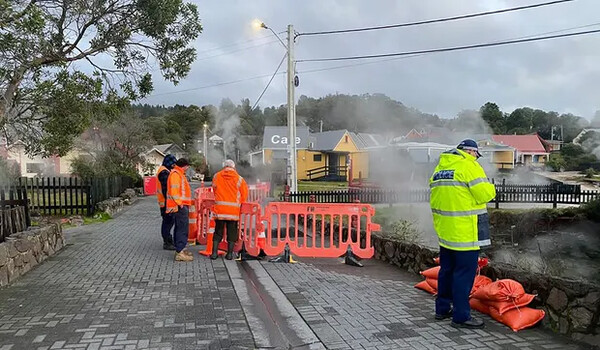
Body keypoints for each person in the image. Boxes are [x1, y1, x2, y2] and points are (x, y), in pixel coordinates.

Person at [429, 139, 496, 329]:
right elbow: (485, 195)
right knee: (463, 276)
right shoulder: (469, 166)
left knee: (446, 271)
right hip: (466, 232)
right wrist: (491, 186)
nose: (476, 158)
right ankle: (461, 316)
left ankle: (442, 309)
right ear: (471, 152)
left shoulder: (439, 169)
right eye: (476, 154)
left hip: (445, 232)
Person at [210, 159, 248, 260]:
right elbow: (244, 195)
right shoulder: (239, 179)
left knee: (218, 231)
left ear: (224, 166)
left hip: (220, 210)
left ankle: (214, 254)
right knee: (232, 233)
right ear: (233, 167)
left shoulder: (216, 176)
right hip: (233, 211)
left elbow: (214, 189)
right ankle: (230, 254)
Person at [166, 158, 194, 262]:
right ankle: (180, 251)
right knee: (182, 228)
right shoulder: (176, 174)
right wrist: (180, 203)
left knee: (180, 228)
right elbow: (174, 191)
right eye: (187, 166)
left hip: (180, 205)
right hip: (179, 206)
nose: (188, 168)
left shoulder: (178, 174)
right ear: (184, 165)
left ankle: (180, 249)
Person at [156, 154, 177, 250]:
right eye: (173, 163)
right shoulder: (164, 172)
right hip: (166, 203)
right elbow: (166, 189)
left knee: (167, 222)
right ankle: (167, 242)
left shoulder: (164, 170)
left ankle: (168, 240)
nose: (174, 165)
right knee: (167, 222)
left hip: (164, 202)